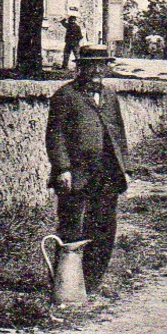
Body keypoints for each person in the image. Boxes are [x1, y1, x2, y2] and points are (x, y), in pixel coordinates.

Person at [46, 44, 132, 293]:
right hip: (76, 174)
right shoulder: (65, 96)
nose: (97, 71)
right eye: (91, 65)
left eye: (101, 65)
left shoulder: (109, 95)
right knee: (71, 227)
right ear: (80, 68)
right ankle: (65, 284)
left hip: (106, 172)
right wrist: (62, 168)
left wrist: (124, 167)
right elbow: (55, 136)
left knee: (104, 227)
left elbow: (118, 133)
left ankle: (92, 283)